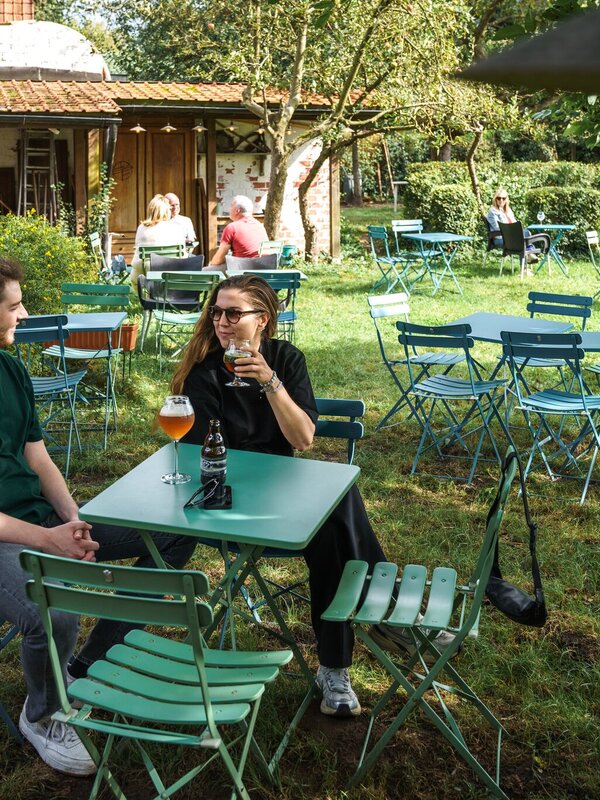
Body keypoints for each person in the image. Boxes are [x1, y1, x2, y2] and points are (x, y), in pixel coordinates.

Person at [172, 274, 455, 718]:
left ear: (262, 319)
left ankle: (335, 668)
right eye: (216, 312)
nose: (222, 322)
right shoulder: (204, 372)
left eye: (233, 313)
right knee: (339, 507)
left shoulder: (286, 359)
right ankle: (380, 621)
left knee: (334, 523)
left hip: (282, 494)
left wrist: (270, 382)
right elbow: (206, 458)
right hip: (227, 502)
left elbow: (302, 439)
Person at [0, 257, 196, 775]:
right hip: (8, 539)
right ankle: (42, 715)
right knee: (55, 612)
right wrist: (49, 539)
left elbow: (36, 456)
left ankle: (88, 665)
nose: (24, 314)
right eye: (15, 305)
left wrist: (75, 520)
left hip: (41, 522)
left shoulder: (12, 369)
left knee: (171, 535)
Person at [130, 194, 186, 285]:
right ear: (166, 211)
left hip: (144, 274)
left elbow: (137, 251)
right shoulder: (176, 228)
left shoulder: (141, 228)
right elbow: (183, 256)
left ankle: (146, 297)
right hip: (170, 273)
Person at [207, 195, 268, 267]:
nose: (229, 208)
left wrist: (211, 264)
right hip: (264, 267)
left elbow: (218, 260)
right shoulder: (260, 226)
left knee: (206, 270)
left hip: (243, 269)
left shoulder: (232, 227)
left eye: (231, 205)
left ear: (237, 211)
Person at [486, 188, 537, 264]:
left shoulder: (508, 210)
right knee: (522, 240)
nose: (501, 200)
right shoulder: (492, 211)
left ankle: (528, 257)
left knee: (526, 233)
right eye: (499, 198)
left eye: (503, 198)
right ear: (495, 199)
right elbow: (497, 227)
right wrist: (512, 231)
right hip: (500, 238)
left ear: (506, 199)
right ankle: (529, 255)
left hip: (511, 237)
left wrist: (516, 230)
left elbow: (514, 223)